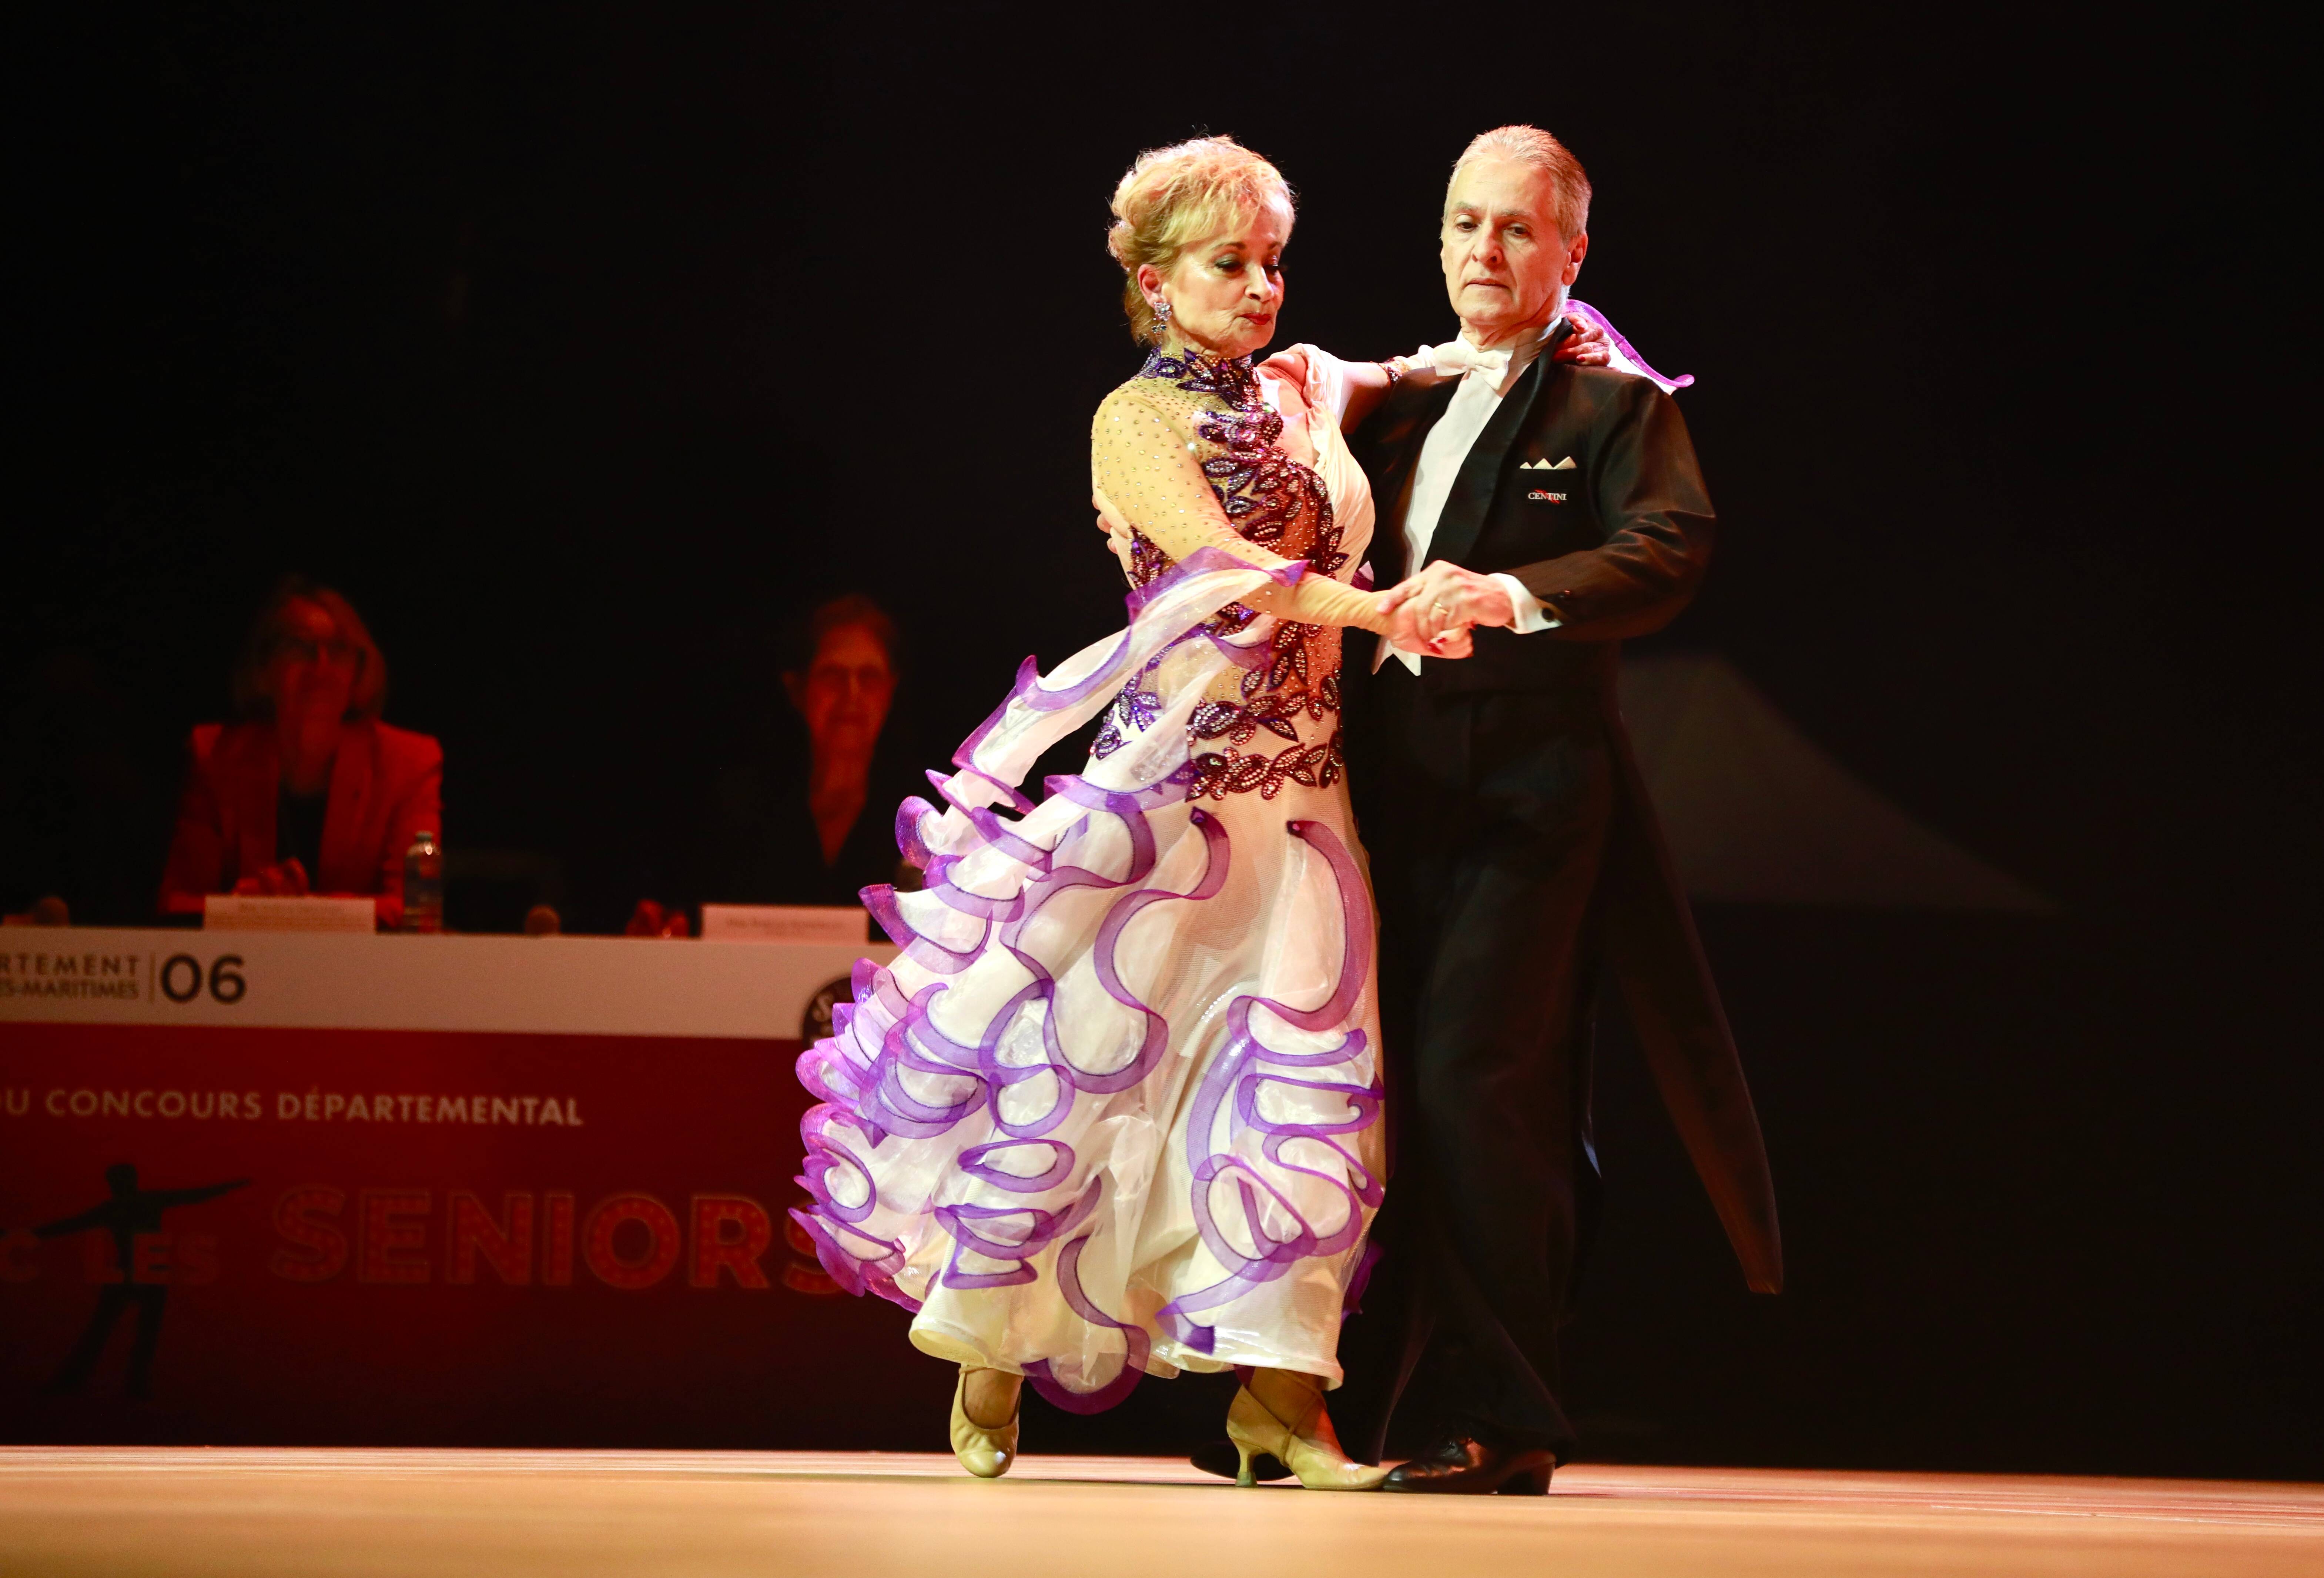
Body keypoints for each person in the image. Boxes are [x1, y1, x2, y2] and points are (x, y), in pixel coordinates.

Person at [794, 137, 1484, 1489]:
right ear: (1159, 283)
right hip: (1168, 808)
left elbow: (1418, 367)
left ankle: (1280, 1407)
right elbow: (1227, 576)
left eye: (1272, 260)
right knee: (1085, 1081)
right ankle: (991, 1338)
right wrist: (1379, 607)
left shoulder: (1299, 383)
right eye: (1229, 263)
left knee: (1305, 1102)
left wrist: (1538, 337)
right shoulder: (1132, 422)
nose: (1261, 286)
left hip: (1304, 816)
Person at [1309, 126, 1785, 1494]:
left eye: (1515, 230)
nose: (1482, 252)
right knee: (1386, 1093)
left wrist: (1509, 595)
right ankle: (1364, 1407)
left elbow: (1666, 546)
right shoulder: (1399, 399)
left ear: (1571, 253)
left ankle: (1504, 1412)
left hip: (1529, 793)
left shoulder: (1611, 405)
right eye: (1464, 224)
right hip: (1387, 792)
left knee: (1476, 1081)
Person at [158, 578, 441, 929]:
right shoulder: (215, 756)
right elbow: (177, 903)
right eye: (300, 648)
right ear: (263, 671)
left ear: (358, 673)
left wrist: (294, 910)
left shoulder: (409, 761)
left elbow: (417, 910)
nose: (321, 668)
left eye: (338, 650)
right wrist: (252, 905)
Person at [697, 594, 922, 914]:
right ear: (798, 691)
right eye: (833, 676)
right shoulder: (740, 808)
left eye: (869, 677)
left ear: (890, 691)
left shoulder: (925, 816)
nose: (852, 694)